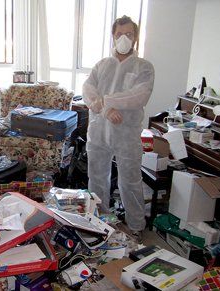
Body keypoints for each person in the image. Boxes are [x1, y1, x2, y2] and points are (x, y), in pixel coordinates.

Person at [82, 15, 155, 240]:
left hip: (126, 133)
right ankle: (101, 218)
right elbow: (87, 89)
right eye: (119, 34)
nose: (124, 38)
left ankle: (135, 224)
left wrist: (108, 101)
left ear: (135, 37)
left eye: (129, 34)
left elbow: (139, 96)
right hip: (98, 132)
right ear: (113, 36)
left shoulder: (144, 67)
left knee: (130, 179)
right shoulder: (101, 65)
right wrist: (104, 109)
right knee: (96, 177)